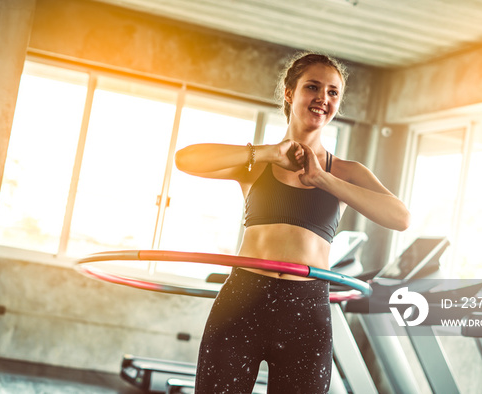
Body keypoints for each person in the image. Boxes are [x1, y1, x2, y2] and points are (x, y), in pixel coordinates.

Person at [174, 52, 410, 393]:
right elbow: (186, 159)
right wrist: (269, 153)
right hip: (243, 301)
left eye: (332, 93)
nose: (323, 98)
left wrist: (324, 180)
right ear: (289, 93)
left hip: (306, 311)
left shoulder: (346, 172)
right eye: (312, 87)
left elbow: (400, 218)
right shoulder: (255, 164)